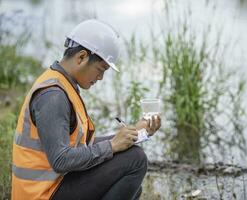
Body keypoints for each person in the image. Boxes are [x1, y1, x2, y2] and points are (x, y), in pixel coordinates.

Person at [11, 19, 161, 200]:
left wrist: (135, 133)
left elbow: (78, 145)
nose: (101, 78)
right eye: (100, 69)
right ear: (81, 57)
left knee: (130, 185)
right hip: (41, 194)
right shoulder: (53, 95)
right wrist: (112, 146)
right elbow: (61, 160)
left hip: (53, 185)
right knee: (135, 160)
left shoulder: (63, 84)